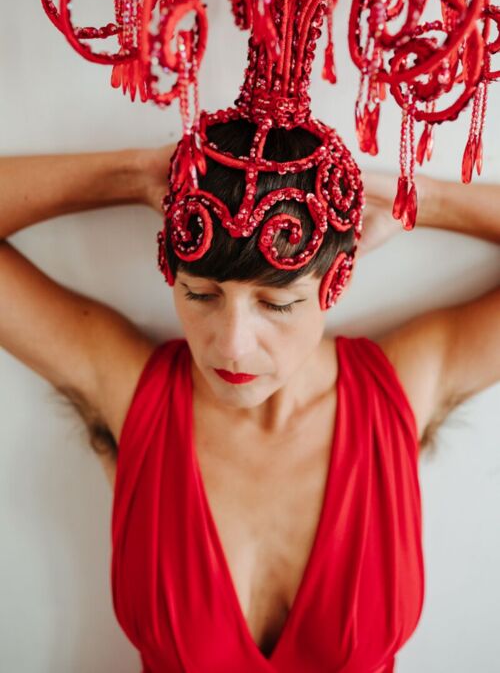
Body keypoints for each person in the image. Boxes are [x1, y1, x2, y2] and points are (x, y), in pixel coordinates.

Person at [1, 119, 499, 669]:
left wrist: (415, 199)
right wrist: (135, 175)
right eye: (201, 295)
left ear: (336, 281)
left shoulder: (398, 390)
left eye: (276, 303)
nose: (232, 346)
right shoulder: (131, 389)